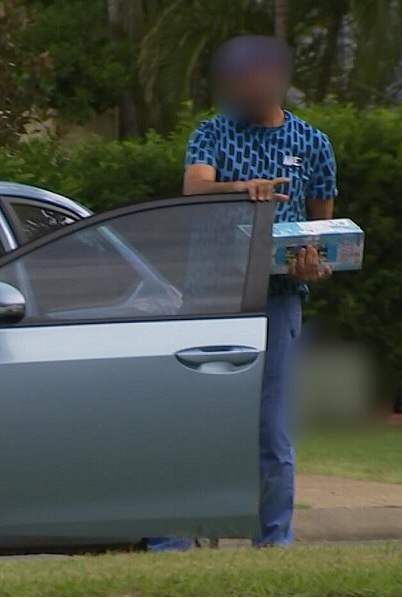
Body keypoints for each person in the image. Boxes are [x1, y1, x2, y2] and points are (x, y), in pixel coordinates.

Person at [148, 34, 338, 551]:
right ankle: (171, 543)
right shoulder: (211, 133)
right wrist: (242, 189)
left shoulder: (312, 143)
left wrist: (314, 265)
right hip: (211, 297)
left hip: (277, 299)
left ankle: (274, 543)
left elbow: (320, 237)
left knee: (271, 431)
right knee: (191, 421)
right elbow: (194, 187)